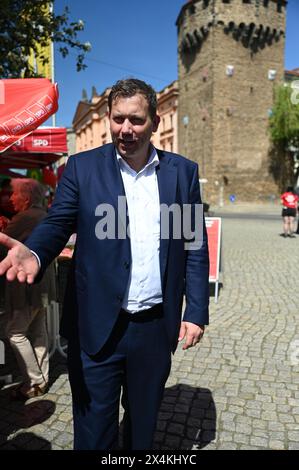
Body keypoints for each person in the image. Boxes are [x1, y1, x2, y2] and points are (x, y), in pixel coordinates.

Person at [0, 79, 209, 450]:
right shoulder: (82, 168)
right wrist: (34, 252)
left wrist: (195, 310)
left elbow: (193, 243)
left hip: (154, 328)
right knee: (94, 432)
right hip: (95, 327)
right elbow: (58, 222)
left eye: (136, 120)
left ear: (155, 122)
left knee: (143, 429)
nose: (125, 129)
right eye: (118, 119)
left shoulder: (182, 173)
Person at [0, 179, 55, 399]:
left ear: (27, 197)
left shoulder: (25, 217)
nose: (11, 198)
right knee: (38, 331)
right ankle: (43, 377)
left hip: (27, 287)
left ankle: (34, 380)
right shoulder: (42, 214)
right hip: (42, 285)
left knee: (15, 333)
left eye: (14, 194)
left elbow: (3, 248)